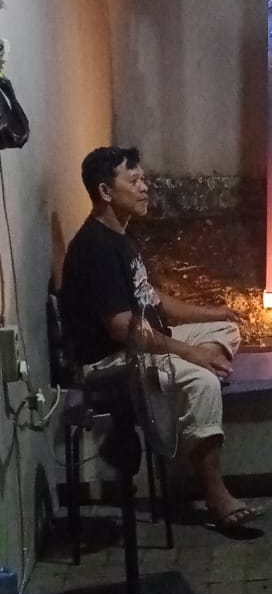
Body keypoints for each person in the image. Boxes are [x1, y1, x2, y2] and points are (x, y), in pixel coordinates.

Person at [61, 146, 260, 537]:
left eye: (144, 179)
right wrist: (191, 354)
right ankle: (216, 497)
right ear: (105, 191)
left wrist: (214, 312)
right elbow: (122, 328)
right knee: (202, 382)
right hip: (113, 361)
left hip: (147, 343)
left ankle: (179, 387)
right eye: (134, 181)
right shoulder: (94, 248)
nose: (145, 188)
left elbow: (154, 300)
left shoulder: (122, 237)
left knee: (227, 330)